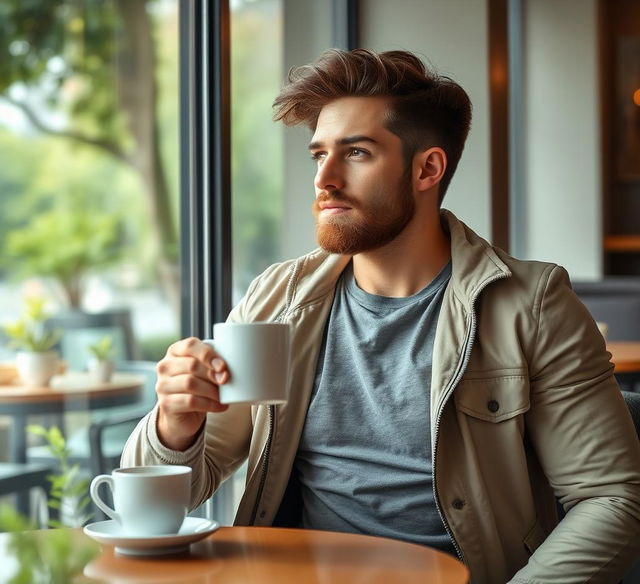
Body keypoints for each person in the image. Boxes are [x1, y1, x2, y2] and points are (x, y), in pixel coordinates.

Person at [122, 49, 640, 583]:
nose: (325, 178)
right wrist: (176, 425)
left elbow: (611, 497)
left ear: (427, 168)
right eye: (318, 154)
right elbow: (170, 499)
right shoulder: (276, 297)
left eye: (358, 153)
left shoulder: (530, 303)